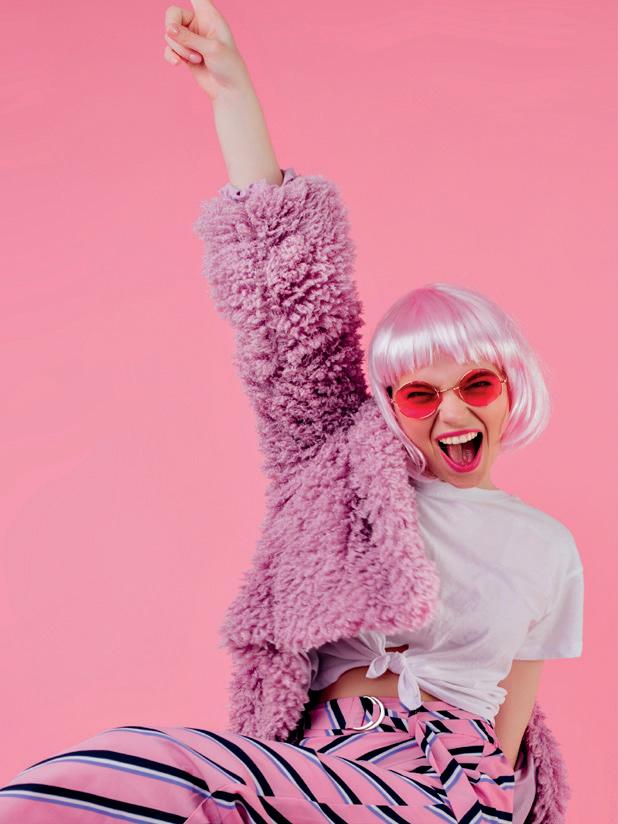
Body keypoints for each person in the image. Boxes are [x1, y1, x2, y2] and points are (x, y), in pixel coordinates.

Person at [0, 1, 584, 822]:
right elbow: (287, 303)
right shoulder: (339, 470)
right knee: (143, 776)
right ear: (390, 407)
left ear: (511, 386)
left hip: (450, 784)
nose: (451, 411)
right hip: (316, 766)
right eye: (420, 393)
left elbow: (512, 726)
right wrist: (231, 90)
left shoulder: (547, 549)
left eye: (475, 385)